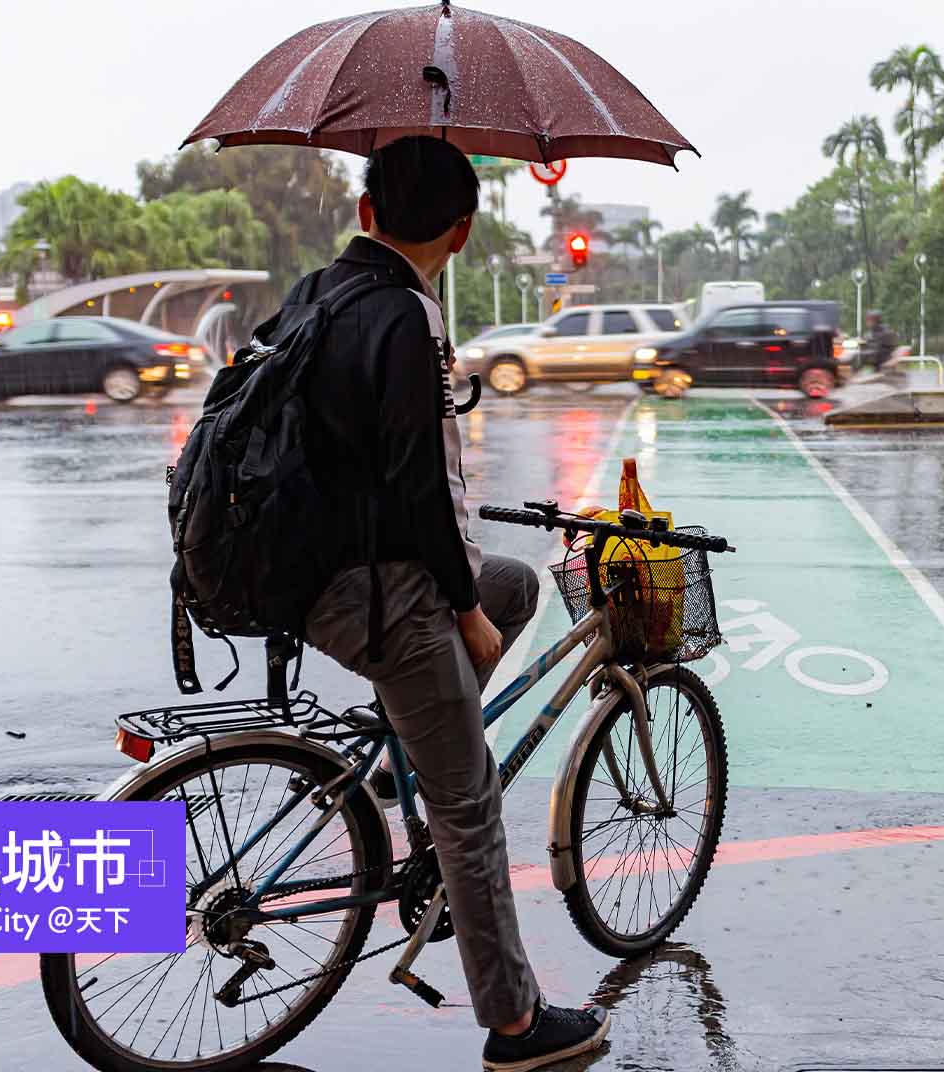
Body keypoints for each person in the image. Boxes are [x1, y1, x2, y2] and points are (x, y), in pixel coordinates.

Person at [299, 136, 612, 1072]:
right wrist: (459, 609)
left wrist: (477, 594)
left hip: (304, 576)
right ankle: (515, 1026)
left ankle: (412, 751)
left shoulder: (319, 293)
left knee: (512, 584)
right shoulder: (405, 315)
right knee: (469, 805)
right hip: (380, 590)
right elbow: (418, 493)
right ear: (465, 233)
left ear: (365, 214)